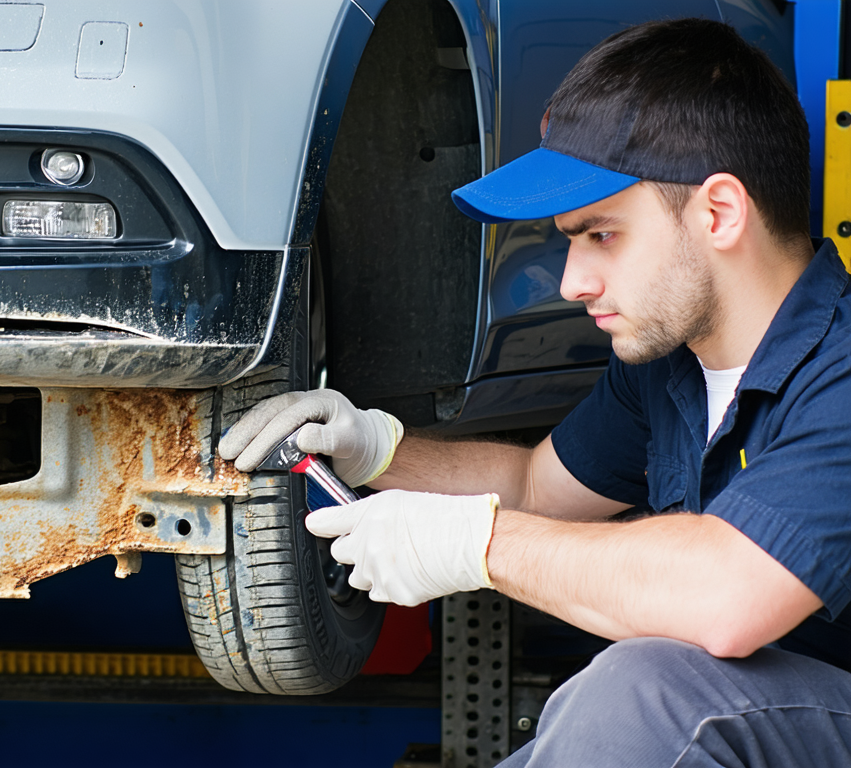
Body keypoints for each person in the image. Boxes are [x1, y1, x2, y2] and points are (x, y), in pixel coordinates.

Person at [220, 18, 851, 766]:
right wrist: (376, 449)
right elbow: (535, 486)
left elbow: (727, 597)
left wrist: (475, 543)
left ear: (719, 212)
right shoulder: (670, 365)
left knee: (642, 695)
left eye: (602, 235)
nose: (572, 282)